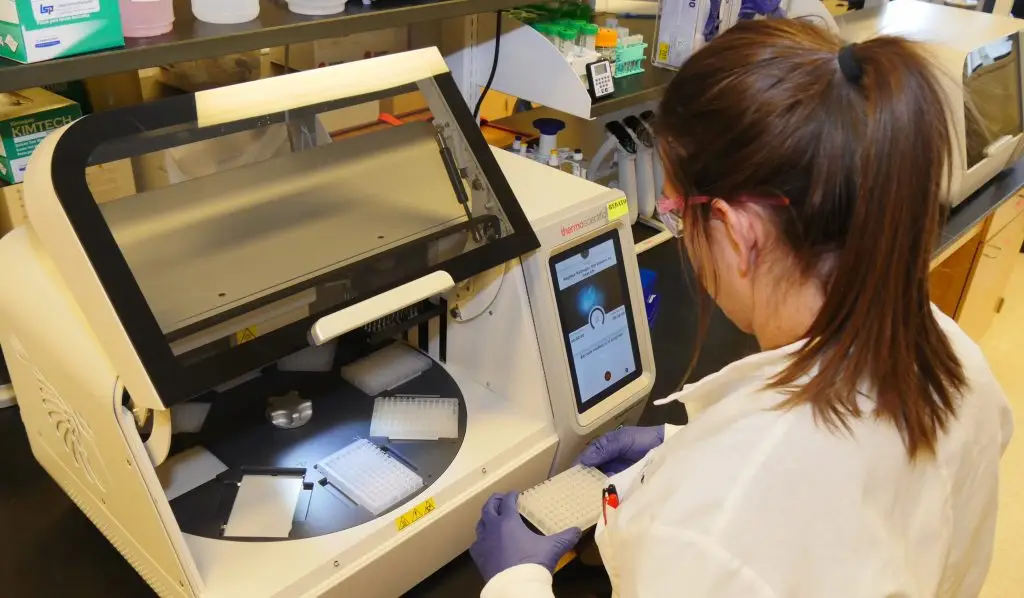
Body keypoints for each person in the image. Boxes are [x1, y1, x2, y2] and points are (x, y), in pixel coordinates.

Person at [469, 19, 1014, 597]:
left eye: (679, 210)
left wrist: (515, 580)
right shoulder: (959, 361)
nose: (680, 229)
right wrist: (679, 449)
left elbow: (756, 506)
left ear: (736, 230)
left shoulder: (717, 522)